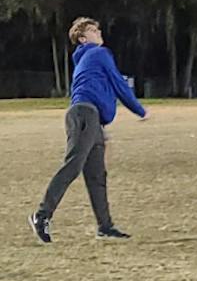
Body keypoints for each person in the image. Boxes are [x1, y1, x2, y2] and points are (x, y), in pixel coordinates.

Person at [29, 17, 148, 244]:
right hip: (86, 114)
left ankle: (105, 226)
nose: (99, 33)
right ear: (83, 39)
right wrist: (140, 110)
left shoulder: (87, 58)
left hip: (92, 119)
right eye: (93, 30)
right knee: (73, 165)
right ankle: (41, 215)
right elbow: (119, 83)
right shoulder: (98, 54)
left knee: (96, 175)